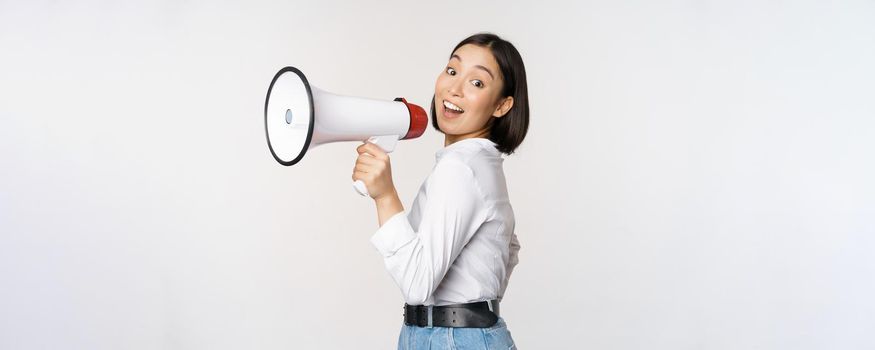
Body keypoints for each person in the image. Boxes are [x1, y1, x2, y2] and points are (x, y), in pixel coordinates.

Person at [352, 32, 529, 349]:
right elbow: (507, 249)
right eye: (452, 71)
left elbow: (417, 285)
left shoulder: (460, 167)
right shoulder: (483, 163)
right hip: (462, 334)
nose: (454, 89)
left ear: (502, 105)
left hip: (451, 338)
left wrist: (385, 196)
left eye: (477, 83)